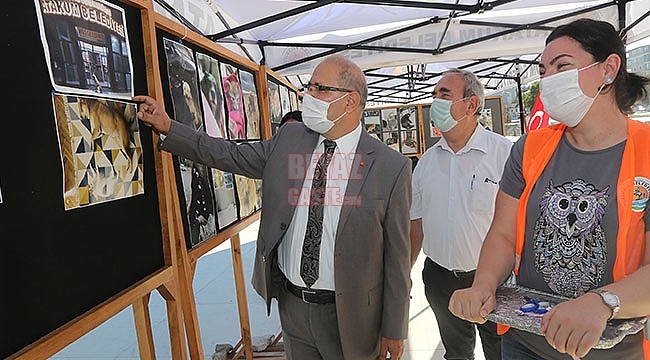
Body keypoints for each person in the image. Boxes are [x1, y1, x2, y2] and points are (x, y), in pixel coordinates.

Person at [133, 54, 412, 360]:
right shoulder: (292, 139)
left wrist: (395, 328)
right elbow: (228, 154)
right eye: (309, 86)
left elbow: (397, 258)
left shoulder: (390, 167)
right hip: (293, 308)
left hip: (353, 316)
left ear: (350, 101)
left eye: (319, 88)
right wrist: (168, 126)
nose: (308, 95)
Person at [448, 18, 650, 360]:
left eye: (563, 66)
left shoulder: (646, 151)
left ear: (609, 69)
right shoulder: (530, 148)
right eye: (543, 70)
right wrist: (483, 284)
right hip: (526, 343)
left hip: (613, 351)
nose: (548, 80)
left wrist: (603, 301)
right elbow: (503, 234)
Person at [410, 68, 512, 360]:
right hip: (441, 280)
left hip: (497, 281)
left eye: (444, 94)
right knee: (456, 354)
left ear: (471, 105)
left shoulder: (505, 155)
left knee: (501, 352)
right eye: (433, 95)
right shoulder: (426, 164)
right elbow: (416, 225)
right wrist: (405, 272)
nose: (435, 102)